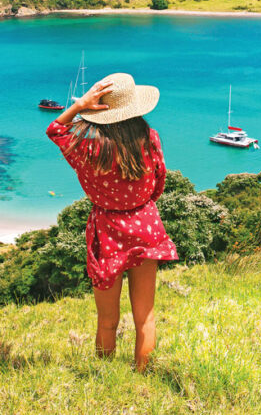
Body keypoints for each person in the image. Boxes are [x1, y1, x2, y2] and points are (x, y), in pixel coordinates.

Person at [46, 72, 178, 372]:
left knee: (107, 320)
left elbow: (55, 130)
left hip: (107, 231)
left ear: (101, 111)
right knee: (145, 316)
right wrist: (141, 206)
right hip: (145, 225)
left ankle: (104, 376)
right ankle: (143, 375)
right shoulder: (150, 139)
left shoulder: (86, 148)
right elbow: (159, 181)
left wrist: (80, 105)